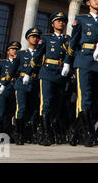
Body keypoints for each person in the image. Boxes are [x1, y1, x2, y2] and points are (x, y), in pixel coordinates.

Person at [65, 0, 98, 147]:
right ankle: (88, 133)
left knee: (94, 100)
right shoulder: (81, 20)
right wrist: (68, 62)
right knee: (84, 98)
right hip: (83, 60)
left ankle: (75, 131)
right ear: (88, 2)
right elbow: (73, 42)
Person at [25, 11, 71, 146]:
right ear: (52, 24)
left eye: (63, 21)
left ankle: (52, 131)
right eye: (58, 21)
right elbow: (37, 56)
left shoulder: (68, 40)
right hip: (47, 73)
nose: (61, 23)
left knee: (58, 105)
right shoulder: (45, 38)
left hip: (61, 74)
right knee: (46, 103)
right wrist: (28, 72)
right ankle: (44, 133)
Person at [8, 28, 42, 145]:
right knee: (21, 108)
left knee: (32, 110)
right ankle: (19, 133)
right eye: (33, 36)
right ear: (28, 39)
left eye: (37, 37)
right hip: (22, 83)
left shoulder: (41, 54)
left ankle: (30, 134)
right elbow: (12, 70)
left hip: (35, 83)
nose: (35, 39)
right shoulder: (21, 54)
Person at [0, 41, 21, 143]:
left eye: (16, 49)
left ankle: (8, 135)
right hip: (2, 90)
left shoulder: (19, 62)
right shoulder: (2, 63)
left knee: (10, 114)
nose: (15, 50)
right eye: (13, 49)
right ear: (8, 52)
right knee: (0, 113)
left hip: (14, 89)